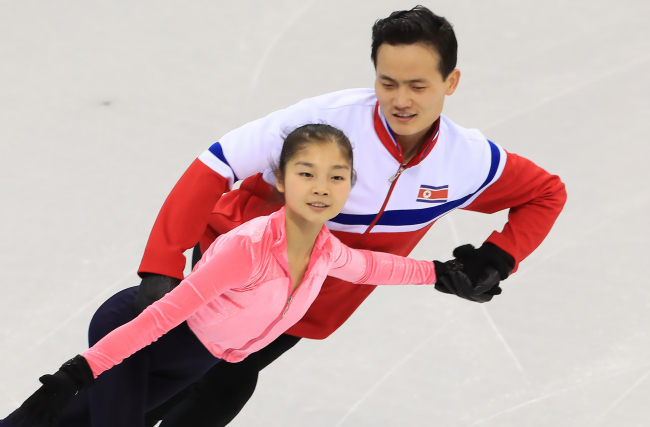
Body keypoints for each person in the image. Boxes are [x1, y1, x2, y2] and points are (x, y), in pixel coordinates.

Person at [3, 124, 473, 427]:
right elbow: (162, 315)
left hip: (190, 361)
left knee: (64, 423)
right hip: (137, 336)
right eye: (307, 174)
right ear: (282, 181)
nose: (321, 188)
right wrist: (74, 373)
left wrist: (439, 274)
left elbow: (374, 266)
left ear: (351, 186)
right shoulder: (247, 248)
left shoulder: (327, 252)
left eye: (336, 177)